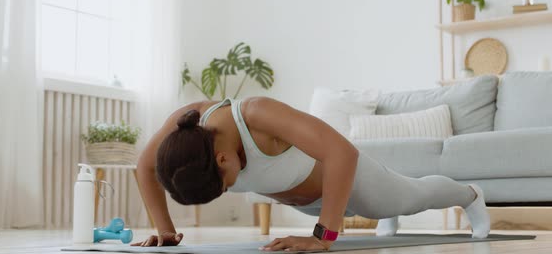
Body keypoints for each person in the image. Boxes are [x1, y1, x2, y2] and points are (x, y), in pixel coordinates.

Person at [132, 97, 490, 252]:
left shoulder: (257, 114)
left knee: (412, 198)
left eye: (225, 186)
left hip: (348, 183)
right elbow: (144, 167)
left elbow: (341, 153)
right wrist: (164, 229)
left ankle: (470, 195)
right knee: (387, 205)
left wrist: (323, 235)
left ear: (223, 158)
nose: (231, 189)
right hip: (305, 199)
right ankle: (387, 211)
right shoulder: (184, 131)